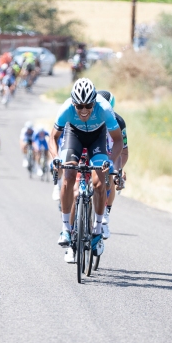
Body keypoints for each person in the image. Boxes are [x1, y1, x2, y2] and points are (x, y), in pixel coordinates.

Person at [48, 78, 123, 259]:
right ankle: (66, 229)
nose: (83, 111)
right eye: (79, 106)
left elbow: (118, 140)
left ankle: (97, 231)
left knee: (98, 184)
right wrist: (56, 158)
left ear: (94, 102)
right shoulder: (66, 109)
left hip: (97, 138)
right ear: (73, 103)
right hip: (74, 135)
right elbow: (53, 137)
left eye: (88, 105)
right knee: (69, 175)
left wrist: (111, 162)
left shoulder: (104, 109)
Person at [96, 90, 129, 239]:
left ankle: (106, 214)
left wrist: (119, 170)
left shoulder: (119, 122)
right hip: (93, 151)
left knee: (110, 176)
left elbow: (123, 151)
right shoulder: (88, 117)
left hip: (110, 153)